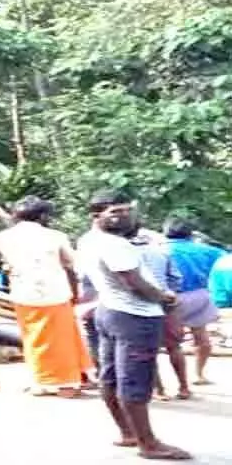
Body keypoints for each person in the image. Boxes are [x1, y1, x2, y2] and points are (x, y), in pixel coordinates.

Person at [78, 190, 190, 460]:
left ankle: (128, 433)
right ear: (96, 215)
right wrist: (165, 298)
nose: (124, 216)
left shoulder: (87, 240)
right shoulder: (116, 245)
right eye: (115, 212)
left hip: (109, 311)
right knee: (135, 380)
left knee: (111, 375)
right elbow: (134, 283)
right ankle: (148, 444)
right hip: (135, 317)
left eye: (127, 210)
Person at [0, 196, 92, 397]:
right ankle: (68, 383)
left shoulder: (2, 237)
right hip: (55, 293)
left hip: (24, 293)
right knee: (62, 339)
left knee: (33, 339)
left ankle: (42, 381)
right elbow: (72, 262)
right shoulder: (55, 236)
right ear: (43, 216)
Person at [125, 224, 190, 401]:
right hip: (166, 301)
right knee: (174, 346)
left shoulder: (122, 254)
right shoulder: (160, 251)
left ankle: (158, 390)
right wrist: (169, 293)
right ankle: (184, 387)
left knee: (148, 349)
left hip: (137, 305)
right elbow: (176, 278)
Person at [164, 217, 223, 385]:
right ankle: (199, 374)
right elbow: (225, 258)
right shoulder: (206, 250)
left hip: (171, 297)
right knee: (201, 336)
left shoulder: (160, 250)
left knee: (172, 342)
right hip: (200, 295)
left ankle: (177, 382)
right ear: (190, 233)